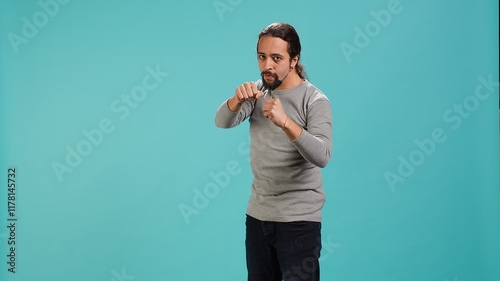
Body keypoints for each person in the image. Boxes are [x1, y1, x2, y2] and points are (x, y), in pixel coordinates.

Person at [214, 22, 332, 281]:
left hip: (299, 223)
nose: (267, 65)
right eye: (262, 56)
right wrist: (237, 100)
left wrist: (285, 122)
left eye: (276, 58)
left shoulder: (314, 101)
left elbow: (322, 155)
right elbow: (222, 121)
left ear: (294, 60)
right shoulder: (258, 93)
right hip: (258, 217)